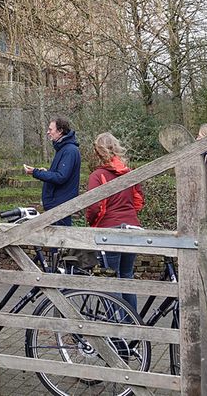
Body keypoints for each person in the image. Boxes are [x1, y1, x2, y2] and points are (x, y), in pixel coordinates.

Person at [85, 132, 145, 311]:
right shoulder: (129, 173)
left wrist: (92, 222)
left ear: (97, 152)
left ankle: (117, 328)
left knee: (112, 278)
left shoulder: (98, 176)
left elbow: (95, 206)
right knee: (127, 275)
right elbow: (138, 200)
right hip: (131, 227)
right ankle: (131, 321)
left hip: (109, 230)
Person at [24, 117, 81, 226]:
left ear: (60, 131)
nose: (48, 132)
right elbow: (60, 173)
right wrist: (46, 172)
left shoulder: (69, 151)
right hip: (57, 205)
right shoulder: (63, 149)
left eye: (50, 130)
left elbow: (61, 177)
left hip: (60, 206)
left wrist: (36, 172)